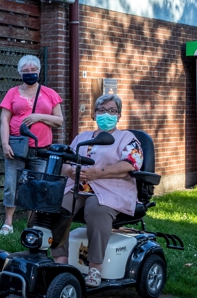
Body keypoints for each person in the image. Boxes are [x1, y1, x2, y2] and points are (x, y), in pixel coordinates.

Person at [55, 93, 143, 287]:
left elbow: (131, 164)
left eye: (112, 111)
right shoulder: (82, 137)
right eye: (102, 110)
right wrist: (68, 170)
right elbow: (65, 161)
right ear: (94, 114)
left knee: (96, 209)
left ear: (119, 116)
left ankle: (94, 267)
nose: (107, 114)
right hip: (78, 186)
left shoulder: (127, 138)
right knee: (58, 206)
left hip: (110, 189)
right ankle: (60, 263)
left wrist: (99, 173)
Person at [0, 54, 63, 235]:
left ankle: (32, 224)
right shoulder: (12, 93)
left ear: (39, 71)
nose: (30, 73)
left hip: (41, 148)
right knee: (12, 184)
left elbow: (59, 120)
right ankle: (8, 223)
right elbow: (4, 120)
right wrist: (5, 144)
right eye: (26, 71)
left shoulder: (49, 93)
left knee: (37, 185)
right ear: (20, 73)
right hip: (16, 146)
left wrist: (40, 116)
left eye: (33, 70)